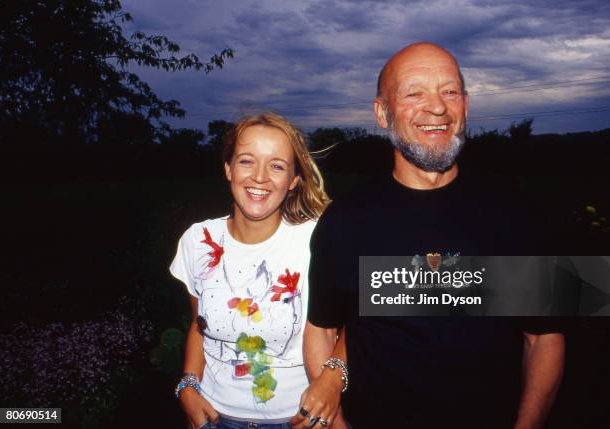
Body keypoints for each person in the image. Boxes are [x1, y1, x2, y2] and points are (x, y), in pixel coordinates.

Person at [298, 42, 565, 428]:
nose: (437, 107)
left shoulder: (519, 214)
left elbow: (544, 338)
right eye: (413, 93)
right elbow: (322, 329)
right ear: (382, 113)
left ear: (466, 105)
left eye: (450, 91)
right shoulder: (344, 221)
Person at [170, 112, 330, 429]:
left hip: (297, 419)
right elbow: (198, 325)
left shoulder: (318, 240)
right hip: (214, 418)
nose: (259, 177)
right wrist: (187, 386)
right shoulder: (197, 241)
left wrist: (332, 382)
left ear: (294, 179)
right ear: (228, 168)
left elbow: (351, 322)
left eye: (277, 165)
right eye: (246, 161)